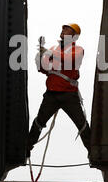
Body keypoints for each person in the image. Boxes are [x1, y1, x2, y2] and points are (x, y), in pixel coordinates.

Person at [26, 23, 91, 159]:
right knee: (39, 122)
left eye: (67, 29)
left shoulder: (77, 49)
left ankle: (93, 152)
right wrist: (39, 57)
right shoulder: (53, 49)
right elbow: (44, 69)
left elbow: (70, 60)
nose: (63, 30)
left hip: (68, 94)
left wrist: (50, 53)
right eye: (63, 28)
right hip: (52, 93)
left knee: (82, 124)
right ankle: (26, 148)